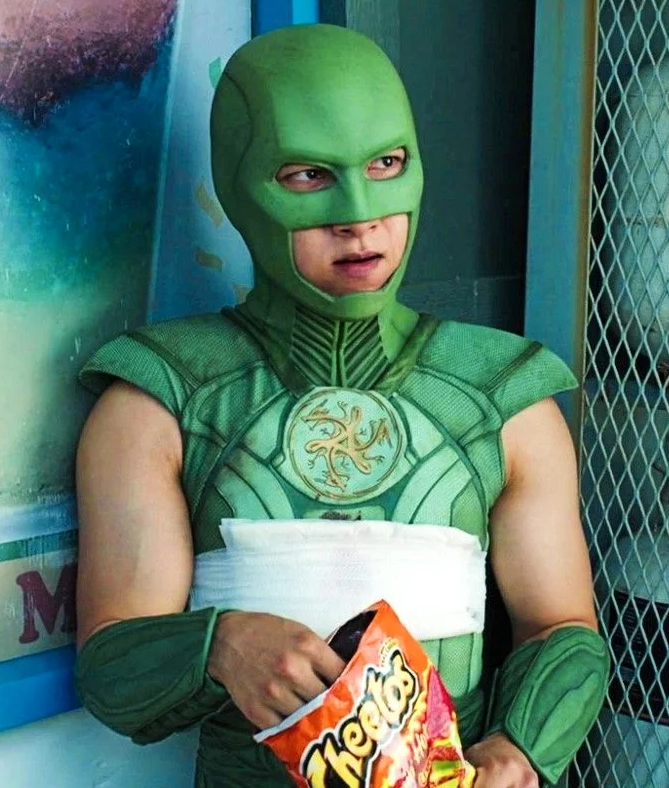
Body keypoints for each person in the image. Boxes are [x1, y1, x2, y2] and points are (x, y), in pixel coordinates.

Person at [74, 23, 609, 788]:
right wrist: (221, 645)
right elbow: (112, 667)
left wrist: (521, 749)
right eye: (307, 176)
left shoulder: (502, 396)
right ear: (240, 186)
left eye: (385, 164)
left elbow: (561, 629)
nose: (359, 216)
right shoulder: (162, 397)